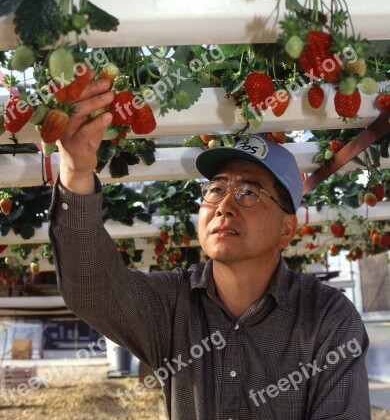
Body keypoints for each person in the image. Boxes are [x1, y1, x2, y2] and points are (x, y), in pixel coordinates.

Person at [48, 76, 371, 419]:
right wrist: (76, 172)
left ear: (286, 228)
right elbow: (92, 289)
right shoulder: (172, 303)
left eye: (249, 192)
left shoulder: (327, 318)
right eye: (216, 189)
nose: (224, 205)